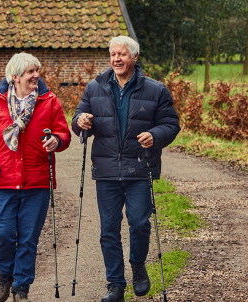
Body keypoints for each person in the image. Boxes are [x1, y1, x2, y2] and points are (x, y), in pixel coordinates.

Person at [71, 36, 180, 302]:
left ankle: (138, 265)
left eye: (121, 54)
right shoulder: (95, 87)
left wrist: (155, 135)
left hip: (140, 168)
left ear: (134, 57)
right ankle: (115, 286)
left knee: (140, 224)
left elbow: (171, 124)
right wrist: (81, 121)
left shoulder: (156, 90)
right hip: (106, 170)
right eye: (112, 54)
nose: (116, 59)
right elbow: (77, 120)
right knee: (108, 230)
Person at [0, 53, 71, 302]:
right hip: (3, 181)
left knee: (28, 239)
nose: (36, 75)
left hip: (37, 182)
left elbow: (64, 133)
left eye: (37, 71)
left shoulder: (48, 102)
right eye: (30, 72)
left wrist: (57, 140)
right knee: (4, 235)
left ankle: (21, 289)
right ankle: (5, 277)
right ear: (15, 77)